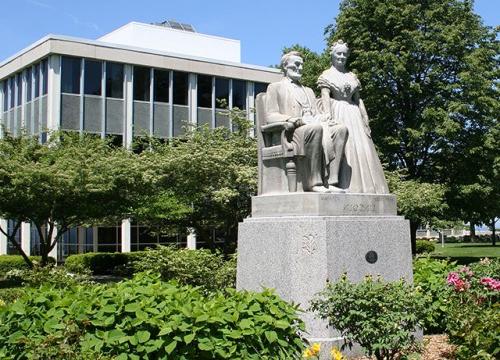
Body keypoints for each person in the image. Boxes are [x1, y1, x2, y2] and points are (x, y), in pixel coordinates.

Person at [318, 40, 389, 194]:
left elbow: (358, 100)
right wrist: (328, 118)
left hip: (354, 113)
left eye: (344, 54)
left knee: (362, 148)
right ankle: (340, 183)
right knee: (344, 146)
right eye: (339, 53)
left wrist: (365, 118)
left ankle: (367, 187)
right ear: (332, 55)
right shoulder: (326, 75)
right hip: (338, 112)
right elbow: (325, 99)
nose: (342, 56)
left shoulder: (352, 76)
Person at [265, 51, 335, 192]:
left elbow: (315, 114)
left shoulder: (308, 90)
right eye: (296, 64)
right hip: (292, 131)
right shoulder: (275, 87)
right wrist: (290, 119)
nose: (300, 67)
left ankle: (333, 181)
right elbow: (270, 116)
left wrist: (324, 117)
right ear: (285, 66)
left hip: (312, 124)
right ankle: (314, 183)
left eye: (302, 64)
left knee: (340, 130)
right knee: (315, 129)